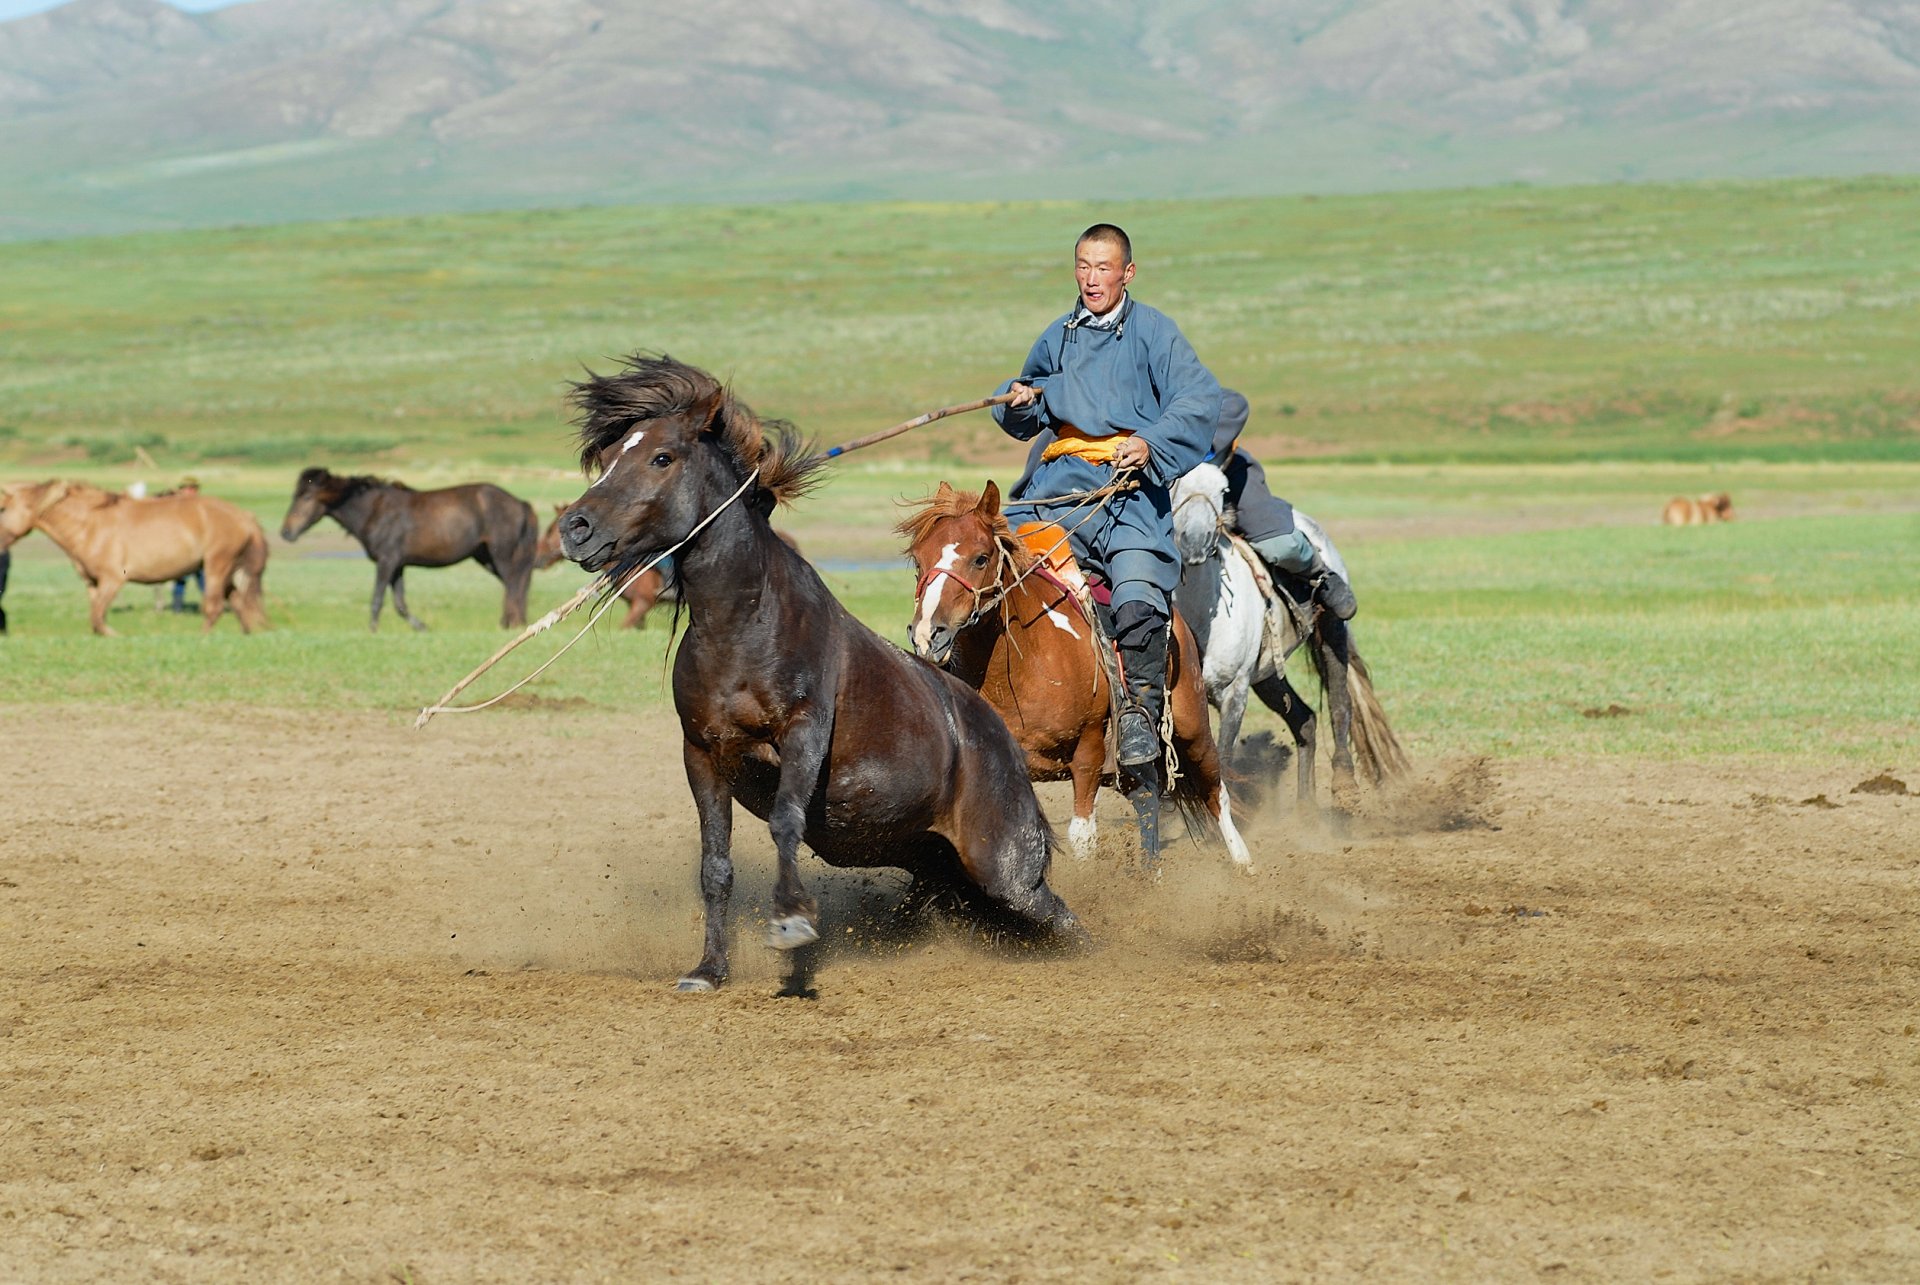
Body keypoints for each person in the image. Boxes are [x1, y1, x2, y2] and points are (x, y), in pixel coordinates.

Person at [993, 223, 1221, 791]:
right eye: (1083, 266)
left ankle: (1140, 721)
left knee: (1140, 593)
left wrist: (1151, 443)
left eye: (1103, 268)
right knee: (985, 558)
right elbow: (1027, 406)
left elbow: (1198, 400)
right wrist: (1018, 398)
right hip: (1057, 488)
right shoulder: (1060, 335)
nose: (1091, 279)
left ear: (1127, 273)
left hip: (1127, 491)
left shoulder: (1155, 333)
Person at [1204, 389, 1356, 620]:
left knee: (1280, 545)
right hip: (1153, 480)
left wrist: (1194, 453)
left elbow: (1233, 404)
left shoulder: (1174, 368)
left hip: (1225, 470)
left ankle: (1318, 574)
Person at [164, 477, 206, 612]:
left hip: (199, 549)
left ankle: (209, 605)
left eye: (193, 488)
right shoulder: (175, 504)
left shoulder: (200, 506)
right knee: (180, 580)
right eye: (187, 488)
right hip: (181, 550)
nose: (190, 491)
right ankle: (177, 608)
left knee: (203, 580)